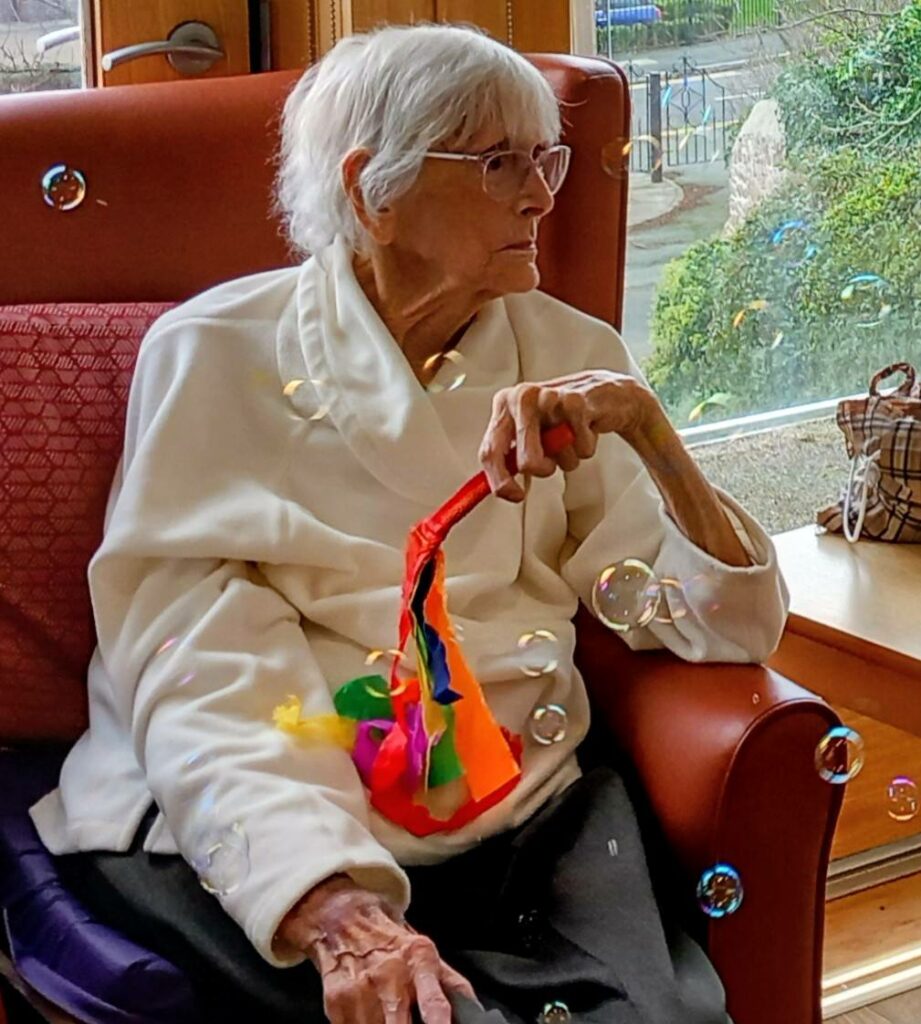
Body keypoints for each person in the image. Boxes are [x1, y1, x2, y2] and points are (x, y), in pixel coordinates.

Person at [33, 22, 788, 1024]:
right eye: (496, 162)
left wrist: (652, 434)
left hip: (520, 808)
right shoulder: (215, 353)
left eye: (546, 155)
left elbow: (728, 628)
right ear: (369, 191)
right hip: (271, 805)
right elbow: (195, 663)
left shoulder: (571, 351)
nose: (542, 192)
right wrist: (330, 899)